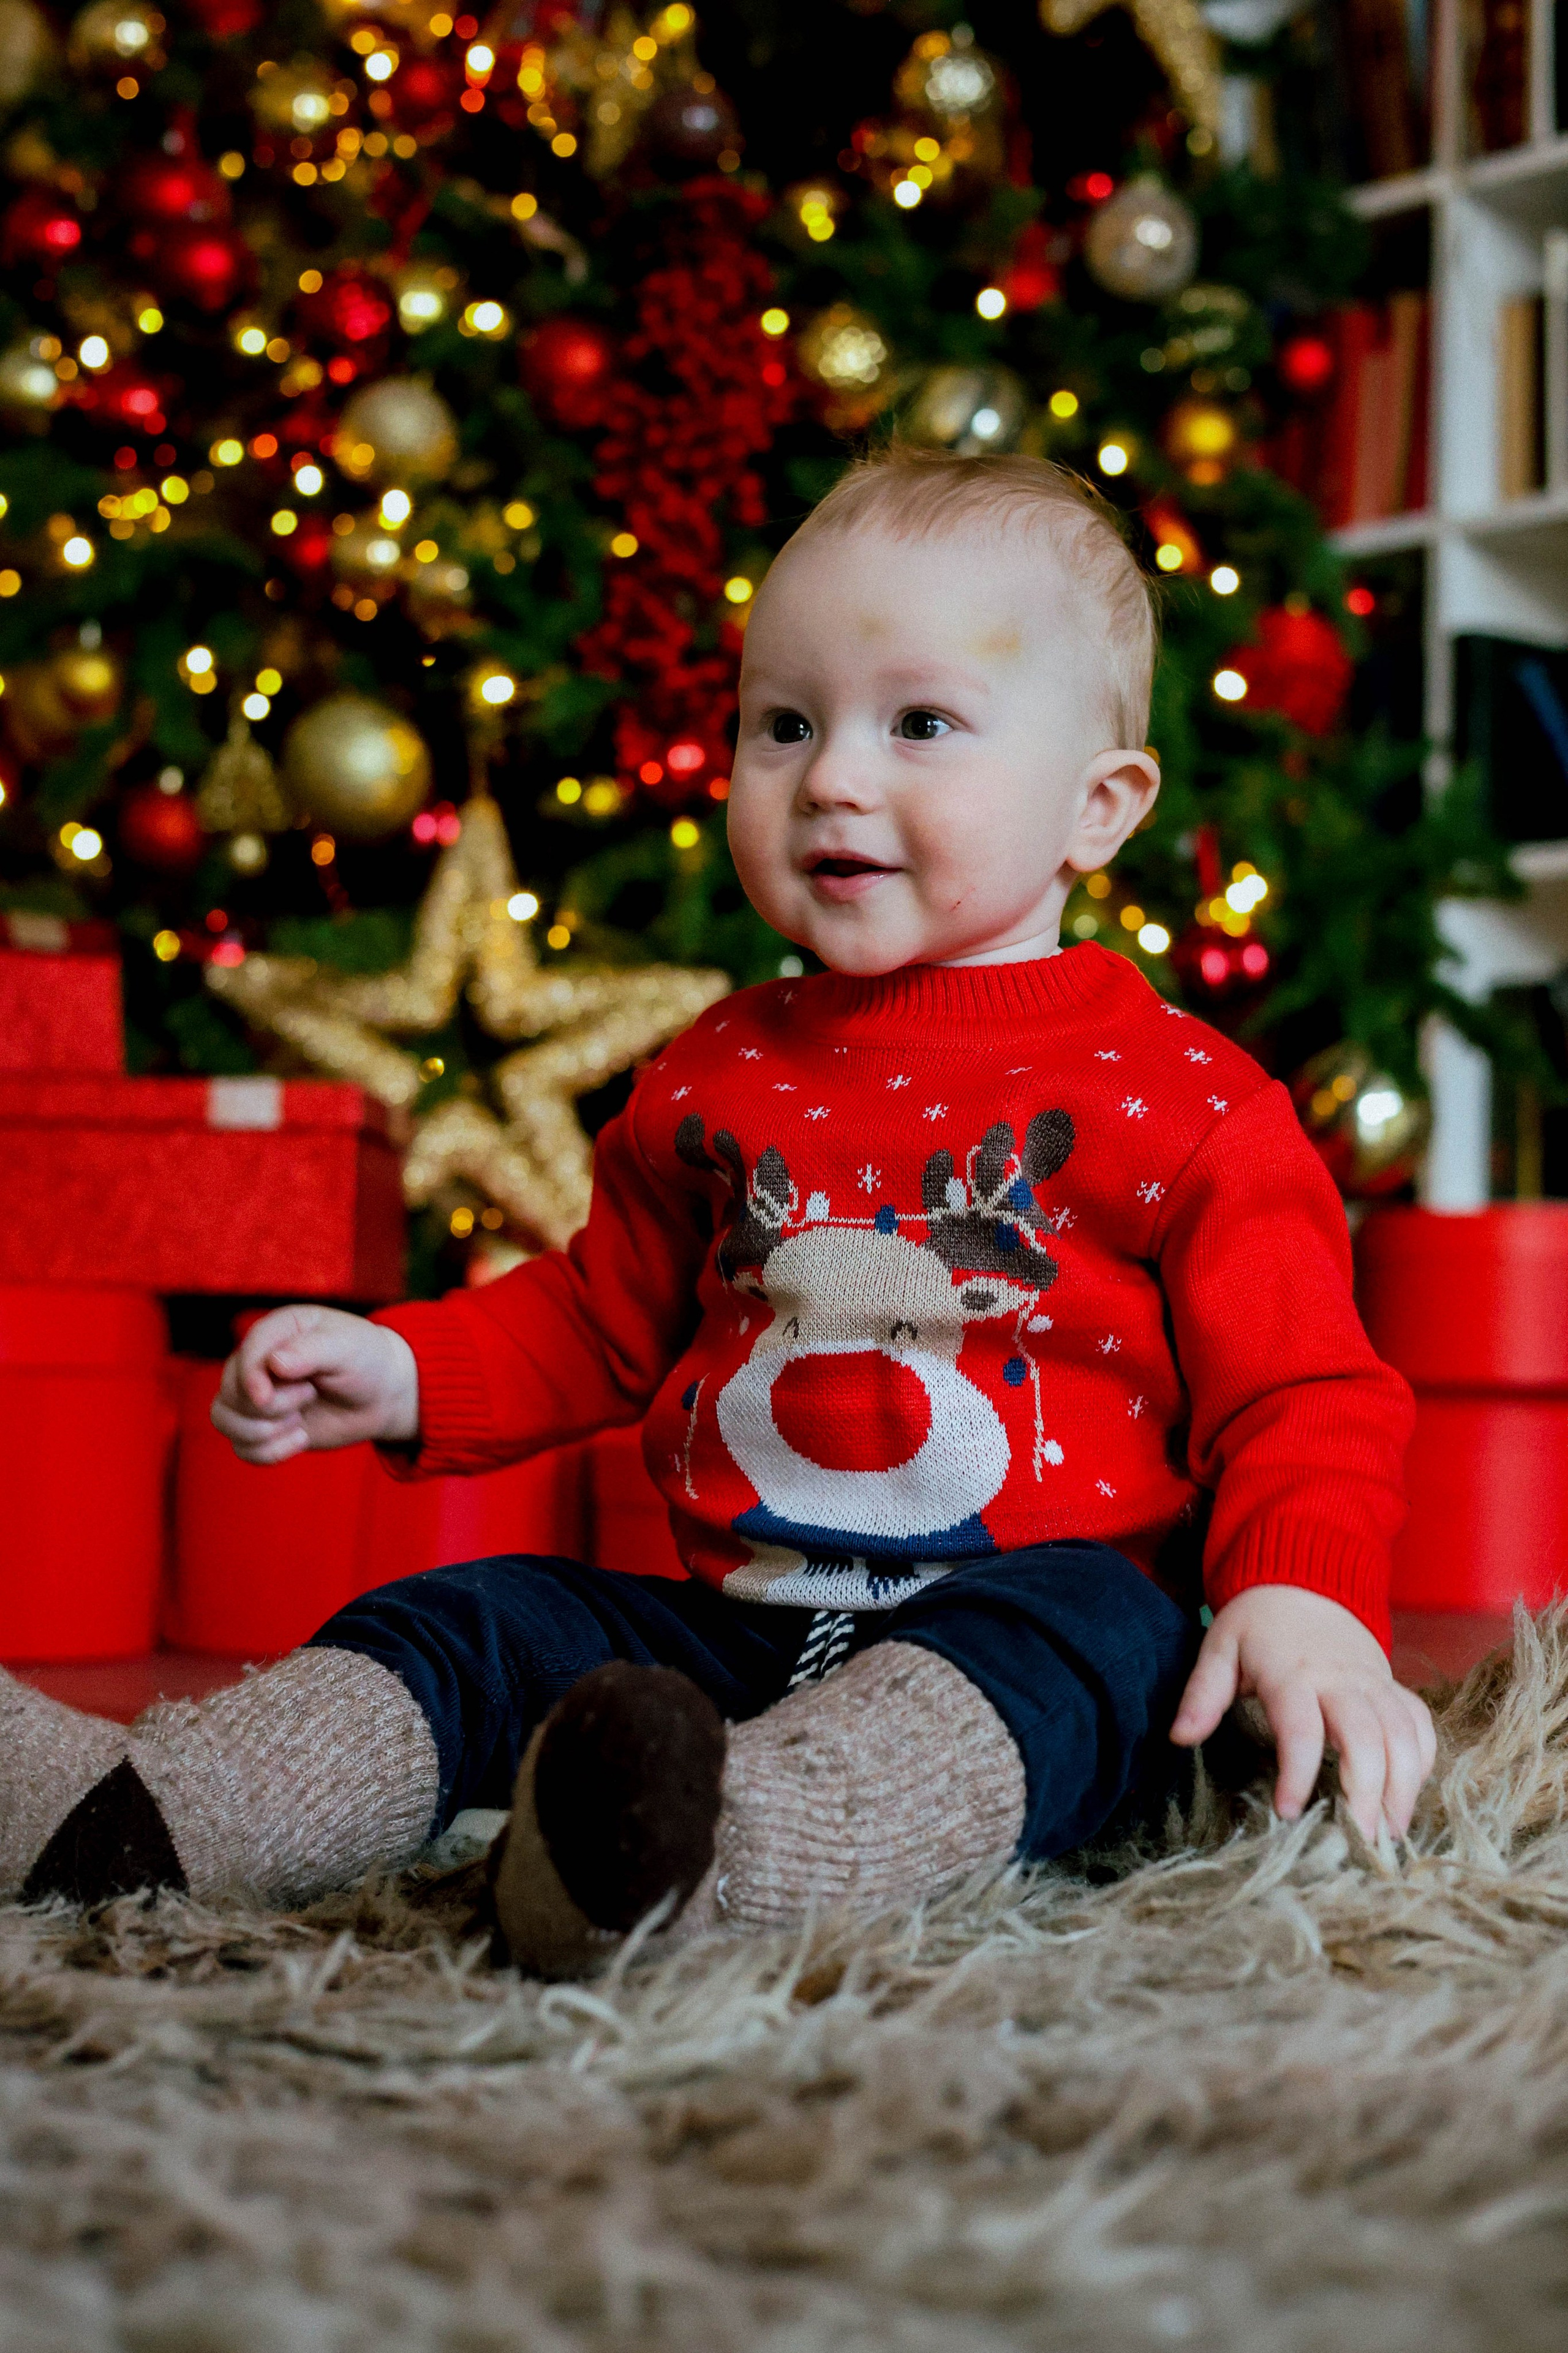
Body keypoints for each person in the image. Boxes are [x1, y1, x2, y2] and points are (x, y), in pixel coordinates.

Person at [0, 450, 1434, 1969]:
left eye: (920, 724)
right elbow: (597, 1311)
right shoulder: (717, 1069)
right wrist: (413, 1368)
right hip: (736, 1633)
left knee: (1092, 1634)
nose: (830, 776)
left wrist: (1299, 1596)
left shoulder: (1187, 1102)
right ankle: (151, 1815)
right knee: (478, 1618)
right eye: (783, 723)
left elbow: (1305, 1395)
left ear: (1098, 805)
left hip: (1027, 1628)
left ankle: (713, 1862)